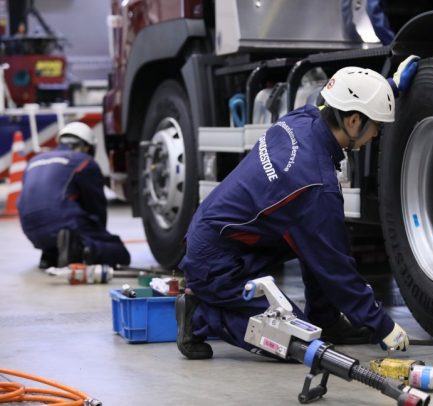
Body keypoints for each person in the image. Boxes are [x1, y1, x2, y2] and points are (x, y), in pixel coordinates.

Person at [176, 57, 419, 360]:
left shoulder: (302, 119)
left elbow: (345, 98)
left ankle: (326, 319)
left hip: (224, 236)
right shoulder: (313, 186)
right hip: (216, 264)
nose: (376, 135)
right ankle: (201, 313)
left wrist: (389, 87)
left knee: (315, 240)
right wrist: (382, 326)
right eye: (377, 126)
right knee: (298, 344)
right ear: (354, 121)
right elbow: (336, 268)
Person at [18, 121, 131, 269]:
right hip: (62, 224)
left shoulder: (34, 161)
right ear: (87, 147)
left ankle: (50, 254)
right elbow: (96, 208)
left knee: (59, 225)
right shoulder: (84, 162)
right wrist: (97, 238)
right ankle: (82, 251)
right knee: (119, 253)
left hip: (30, 231)